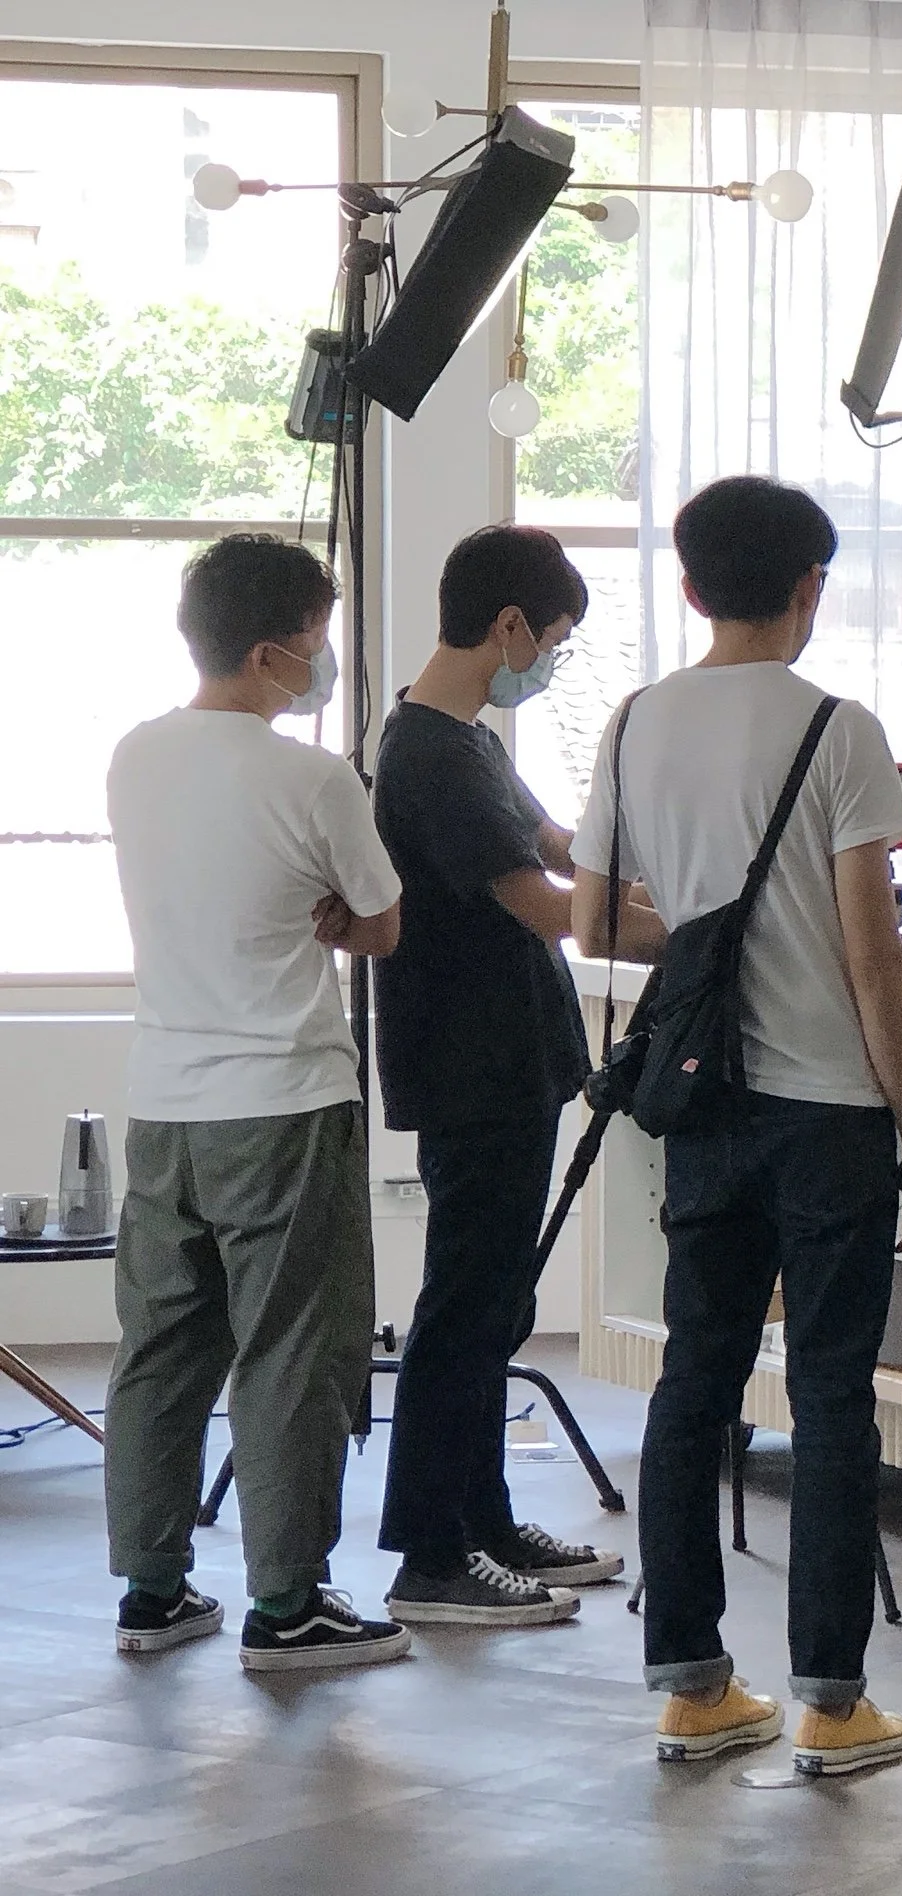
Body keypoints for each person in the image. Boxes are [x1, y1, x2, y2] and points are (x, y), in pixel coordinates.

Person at [570, 474, 902, 1774]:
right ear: (809, 588)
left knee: (697, 1381)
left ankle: (693, 1687)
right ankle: (833, 1705)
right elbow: (873, 956)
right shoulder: (838, 730)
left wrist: (710, 927)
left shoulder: (633, 723)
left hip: (705, 1108)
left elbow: (595, 921)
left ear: (688, 587)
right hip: (829, 1114)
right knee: (832, 1396)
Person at [103, 533, 410, 1673]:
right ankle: (286, 1605)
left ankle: (151, 1592)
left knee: (160, 1349)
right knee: (289, 1353)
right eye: (317, 641)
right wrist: (331, 913)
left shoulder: (136, 756)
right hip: (281, 1099)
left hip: (164, 1104)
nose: (321, 662)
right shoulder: (313, 779)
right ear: (275, 649)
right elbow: (380, 924)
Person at [371, 524, 628, 1627]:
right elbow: (540, 904)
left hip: (512, 1066)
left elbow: (559, 845)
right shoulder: (428, 754)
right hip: (472, 1072)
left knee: (495, 1308)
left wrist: (666, 868)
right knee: (466, 1308)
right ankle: (433, 1556)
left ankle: (485, 1520)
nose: (550, 661)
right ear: (510, 625)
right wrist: (689, 928)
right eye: (554, 641)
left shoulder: (469, 740)